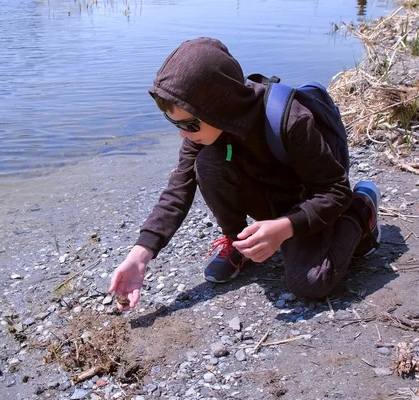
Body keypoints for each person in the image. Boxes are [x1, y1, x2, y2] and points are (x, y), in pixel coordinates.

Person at [108, 37, 380, 311]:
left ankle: (362, 209)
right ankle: (239, 243)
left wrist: (286, 226)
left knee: (310, 282)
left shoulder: (291, 121)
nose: (182, 134)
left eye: (189, 124)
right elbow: (178, 188)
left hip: (306, 198)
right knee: (207, 164)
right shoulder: (204, 131)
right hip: (265, 191)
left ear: (217, 107)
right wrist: (140, 255)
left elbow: (335, 190)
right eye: (174, 123)